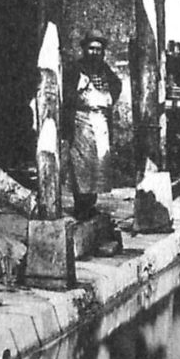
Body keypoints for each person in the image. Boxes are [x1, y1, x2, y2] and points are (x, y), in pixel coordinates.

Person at [63, 31, 122, 220]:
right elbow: (66, 93)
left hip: (101, 121)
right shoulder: (75, 69)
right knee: (82, 164)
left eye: (98, 49)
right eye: (91, 48)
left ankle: (91, 204)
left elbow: (116, 84)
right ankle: (81, 204)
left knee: (98, 163)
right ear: (84, 49)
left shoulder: (105, 70)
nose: (95, 52)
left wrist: (108, 100)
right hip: (81, 120)